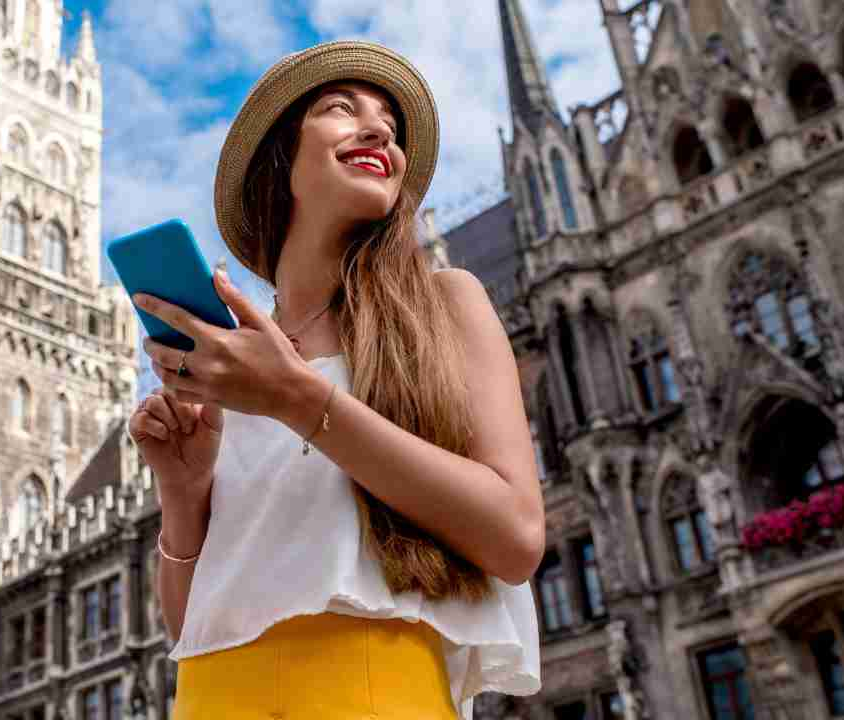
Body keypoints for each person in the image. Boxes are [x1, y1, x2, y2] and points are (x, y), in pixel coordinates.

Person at [127, 41, 544, 719]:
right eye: (340, 108)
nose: (380, 129)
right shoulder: (232, 365)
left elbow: (517, 537)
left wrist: (298, 399)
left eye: (390, 124)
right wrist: (183, 490)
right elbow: (191, 628)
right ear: (280, 161)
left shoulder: (446, 304)